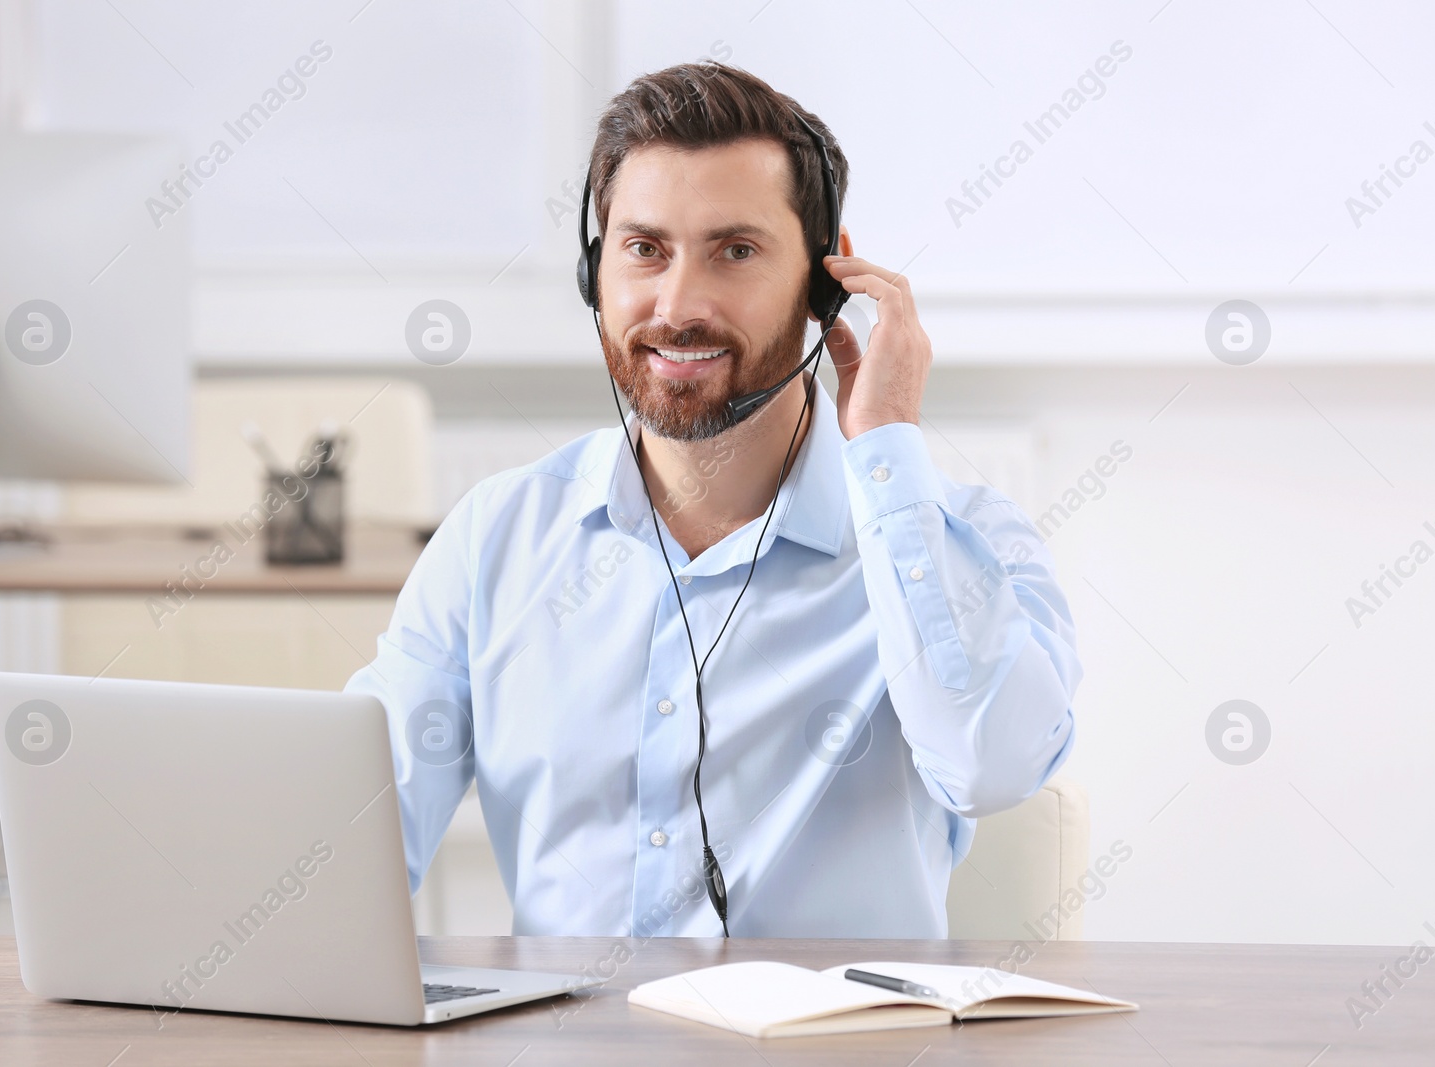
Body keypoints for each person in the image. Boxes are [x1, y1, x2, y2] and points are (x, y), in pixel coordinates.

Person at [347, 63, 1079, 938]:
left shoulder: (957, 537)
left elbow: (993, 766)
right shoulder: (495, 539)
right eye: (645, 249)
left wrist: (887, 449)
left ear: (823, 282)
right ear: (597, 274)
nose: (678, 304)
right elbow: (355, 844)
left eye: (735, 250)